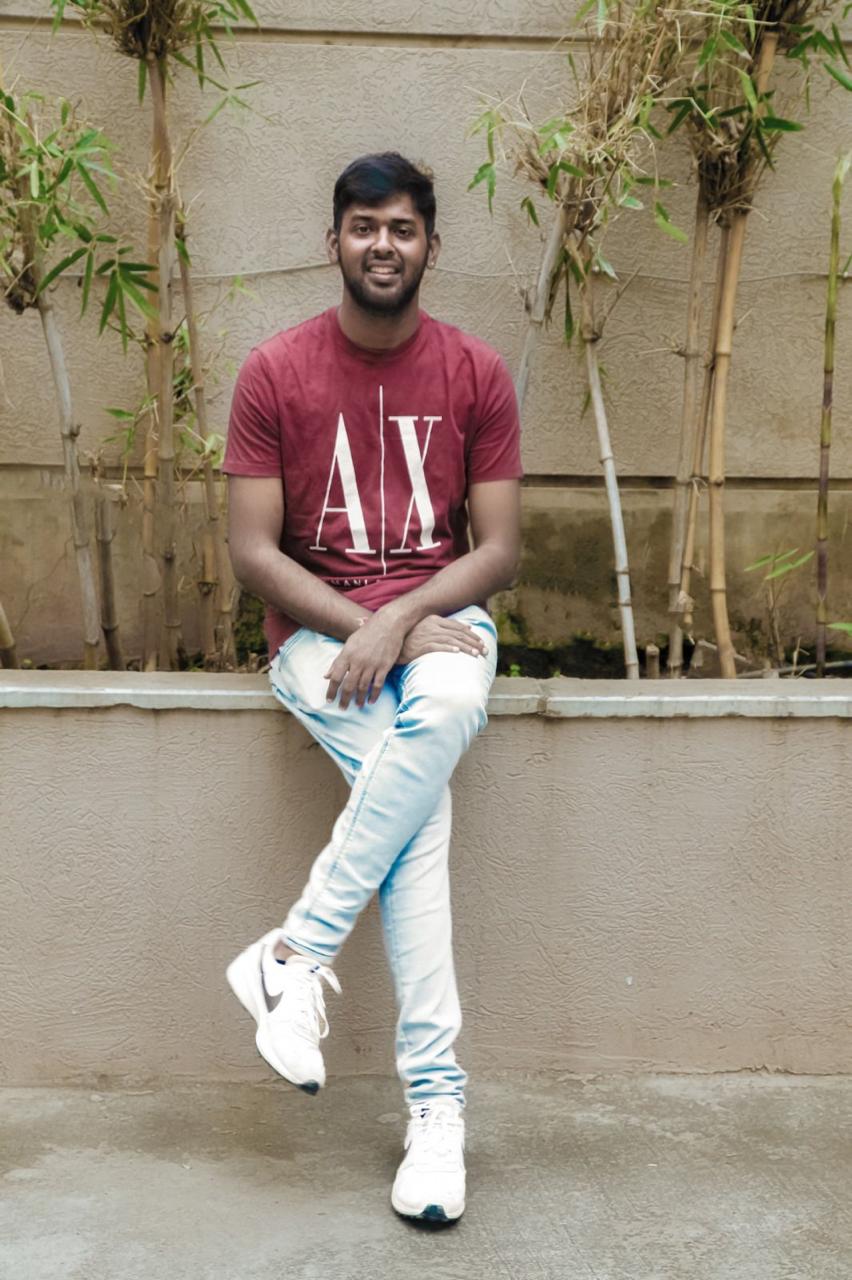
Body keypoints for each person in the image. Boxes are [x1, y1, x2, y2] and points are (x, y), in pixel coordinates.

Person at [223, 152, 522, 1223]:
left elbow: (499, 549)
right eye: (364, 225)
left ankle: (295, 951)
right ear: (334, 240)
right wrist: (364, 623)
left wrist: (399, 621)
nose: (382, 245)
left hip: (437, 617)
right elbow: (253, 551)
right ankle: (437, 1107)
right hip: (318, 633)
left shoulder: (476, 371)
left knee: (445, 703)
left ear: (431, 245)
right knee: (419, 811)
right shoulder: (274, 372)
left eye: (402, 227)